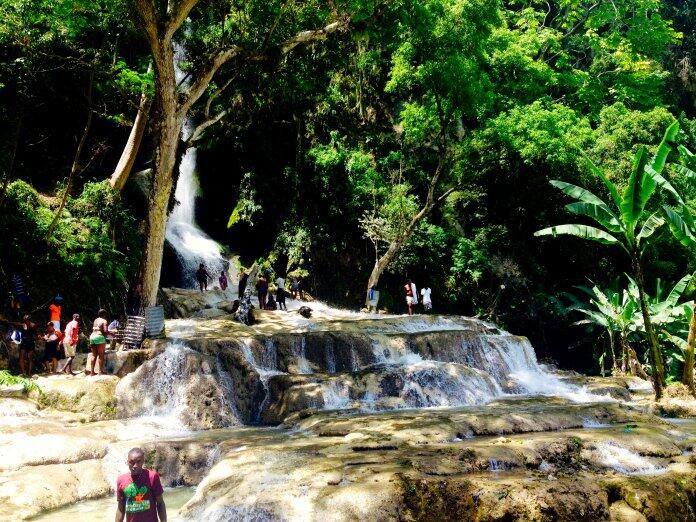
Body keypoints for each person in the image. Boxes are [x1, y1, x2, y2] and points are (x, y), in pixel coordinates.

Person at [115, 447, 166, 522]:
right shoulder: (121, 480)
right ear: (127, 462)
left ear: (143, 461)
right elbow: (120, 508)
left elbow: (160, 503)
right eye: (131, 462)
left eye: (138, 462)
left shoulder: (152, 476)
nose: (135, 465)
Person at [88, 309, 108, 376]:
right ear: (104, 314)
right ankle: (100, 372)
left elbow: (95, 328)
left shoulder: (95, 320)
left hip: (92, 336)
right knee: (101, 355)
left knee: (94, 355)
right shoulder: (104, 321)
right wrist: (111, 333)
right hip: (99, 337)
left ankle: (92, 372)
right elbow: (105, 331)